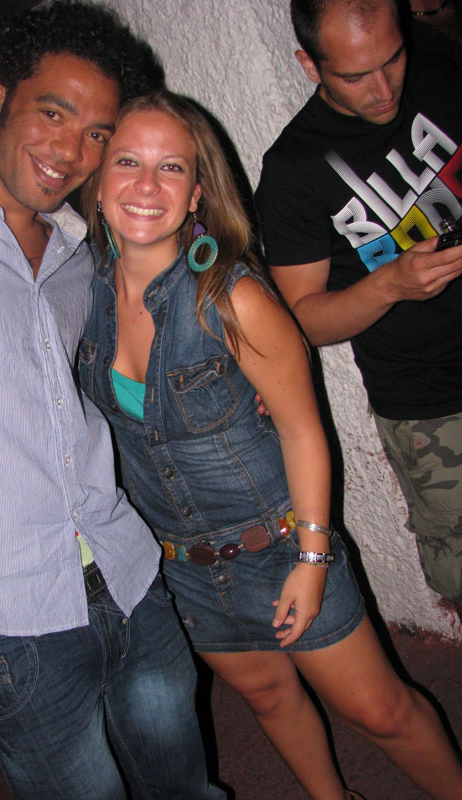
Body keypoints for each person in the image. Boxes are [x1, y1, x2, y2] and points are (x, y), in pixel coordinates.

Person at [0, 5, 226, 799]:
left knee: (185, 786)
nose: (71, 151)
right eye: (52, 113)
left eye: (96, 133)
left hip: (126, 573)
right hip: (7, 616)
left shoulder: (73, 250)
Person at [78, 88, 462, 800]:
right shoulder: (81, 293)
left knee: (380, 711)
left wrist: (313, 560)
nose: (146, 185)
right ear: (98, 181)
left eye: (171, 167)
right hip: (183, 567)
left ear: (197, 193)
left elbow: (302, 429)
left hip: (281, 546)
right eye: (127, 161)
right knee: (268, 698)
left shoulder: (233, 296)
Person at [256, 0, 462, 619]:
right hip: (429, 398)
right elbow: (302, 320)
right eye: (354, 76)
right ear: (309, 65)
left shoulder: (438, 67)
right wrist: (390, 284)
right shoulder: (293, 168)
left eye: (393, 59)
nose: (384, 88)